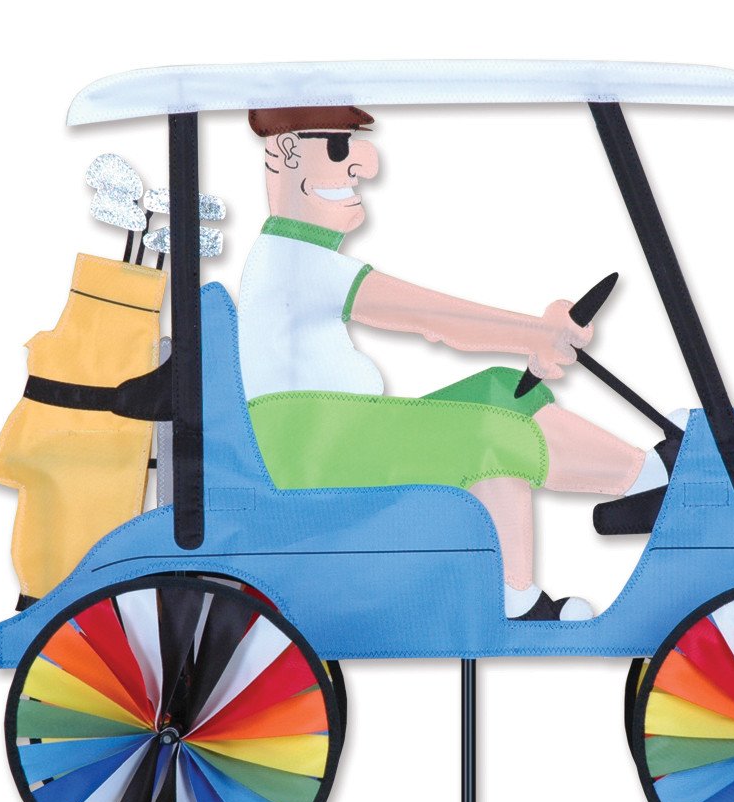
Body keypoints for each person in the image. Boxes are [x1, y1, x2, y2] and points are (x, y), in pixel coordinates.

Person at [238, 106, 675, 620]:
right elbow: (432, 317)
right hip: (314, 448)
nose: (364, 165)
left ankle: (624, 497)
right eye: (339, 148)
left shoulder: (299, 258)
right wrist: (537, 332)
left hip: (331, 433)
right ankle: (641, 490)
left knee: (501, 390)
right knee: (488, 430)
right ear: (287, 152)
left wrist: (534, 337)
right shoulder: (296, 261)